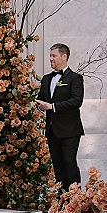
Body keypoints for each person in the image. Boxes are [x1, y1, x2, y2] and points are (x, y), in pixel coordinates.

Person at [36, 43, 84, 192]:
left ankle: (75, 197)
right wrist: (39, 105)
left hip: (70, 130)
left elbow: (76, 101)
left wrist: (53, 107)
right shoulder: (46, 79)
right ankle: (61, 198)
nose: (51, 59)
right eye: (50, 56)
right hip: (52, 130)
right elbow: (42, 99)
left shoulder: (75, 78)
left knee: (69, 162)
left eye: (54, 56)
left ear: (64, 56)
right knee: (58, 165)